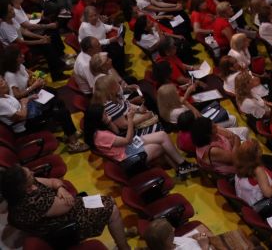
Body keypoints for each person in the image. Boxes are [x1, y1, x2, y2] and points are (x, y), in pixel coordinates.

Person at [1, 165, 132, 250]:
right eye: (29, 175)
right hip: (66, 225)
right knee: (112, 209)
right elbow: (69, 206)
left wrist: (60, 189)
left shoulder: (27, 185)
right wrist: (61, 190)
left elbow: (53, 181)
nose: (32, 172)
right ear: (24, 188)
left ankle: (120, 233)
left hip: (66, 208)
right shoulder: (33, 202)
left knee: (110, 202)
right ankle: (123, 246)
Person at [83, 104, 198, 177]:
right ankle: (181, 167)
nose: (107, 114)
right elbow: (127, 140)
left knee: (162, 135)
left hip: (127, 147)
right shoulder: (100, 135)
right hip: (127, 157)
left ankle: (182, 165)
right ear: (97, 119)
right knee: (160, 146)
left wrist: (108, 122)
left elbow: (118, 133)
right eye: (104, 114)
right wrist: (130, 120)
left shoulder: (98, 129)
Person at [0, 71, 88, 152]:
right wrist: (24, 103)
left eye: (3, 79)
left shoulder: (5, 95)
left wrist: (29, 98)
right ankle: (74, 144)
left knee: (58, 102)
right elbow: (21, 116)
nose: (6, 82)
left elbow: (17, 104)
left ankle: (68, 134)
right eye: (2, 82)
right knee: (62, 113)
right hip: (25, 125)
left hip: (28, 112)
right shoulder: (1, 103)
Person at [0, 0, 66, 81]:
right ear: (4, 15)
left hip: (22, 42)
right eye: (10, 11)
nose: (13, 11)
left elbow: (24, 31)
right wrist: (40, 41)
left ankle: (59, 63)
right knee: (46, 46)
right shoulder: (5, 26)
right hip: (16, 50)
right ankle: (57, 74)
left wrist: (41, 37)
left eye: (12, 9)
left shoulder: (12, 19)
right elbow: (20, 42)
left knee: (48, 38)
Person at [233, 140, 272, 217]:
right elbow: (268, 194)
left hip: (244, 199)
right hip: (258, 206)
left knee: (269, 159)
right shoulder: (258, 170)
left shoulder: (239, 161)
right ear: (255, 154)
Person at [78, 6, 127, 77]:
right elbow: (95, 42)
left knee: (119, 42)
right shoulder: (85, 27)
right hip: (94, 49)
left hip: (103, 43)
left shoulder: (97, 20)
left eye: (95, 15)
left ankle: (121, 69)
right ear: (87, 17)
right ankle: (120, 72)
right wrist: (109, 40)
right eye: (91, 16)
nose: (94, 17)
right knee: (117, 50)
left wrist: (113, 28)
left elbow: (103, 26)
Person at [142, 217, 212, 250]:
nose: (174, 228)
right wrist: (205, 246)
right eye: (171, 229)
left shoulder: (163, 244)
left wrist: (191, 238)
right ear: (166, 240)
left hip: (193, 241)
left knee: (204, 232)